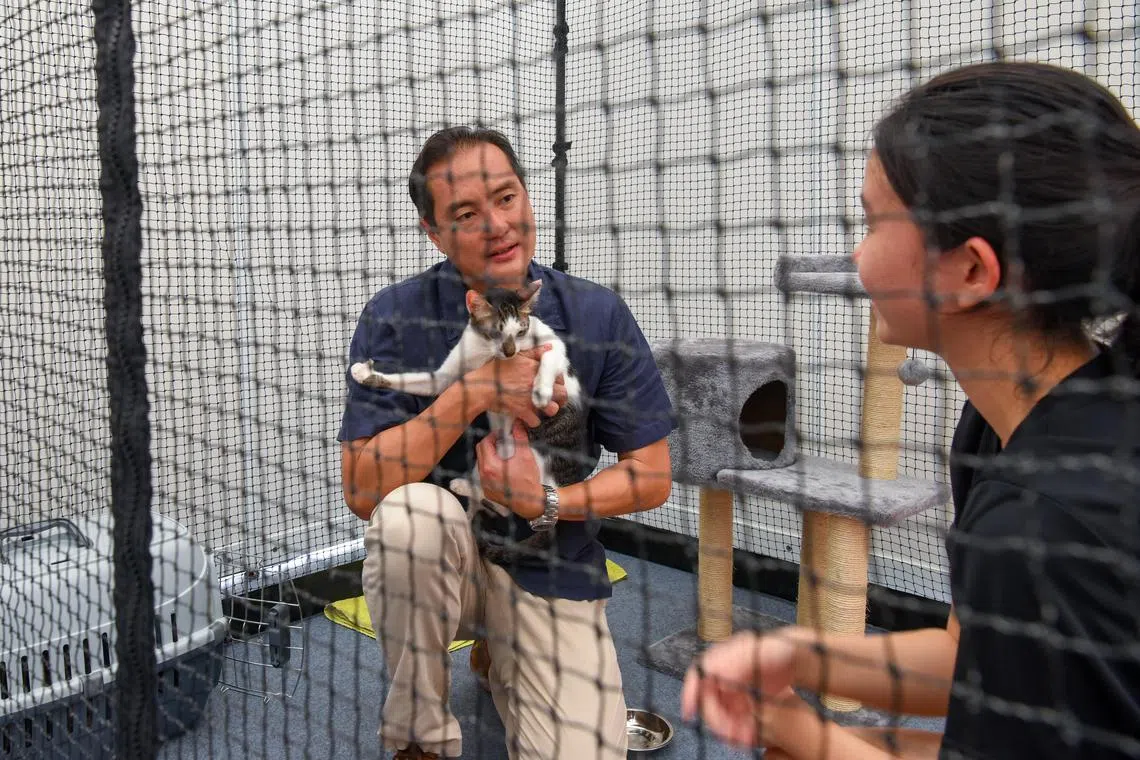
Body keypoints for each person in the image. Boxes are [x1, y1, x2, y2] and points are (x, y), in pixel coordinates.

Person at [681, 61, 1140, 759]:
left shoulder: (1044, 520)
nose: (858, 254)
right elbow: (976, 657)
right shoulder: (1004, 427)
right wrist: (805, 656)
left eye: (872, 222)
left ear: (971, 272)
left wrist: (799, 732)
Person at [339, 126, 676, 760]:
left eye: (505, 197)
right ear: (433, 233)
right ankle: (421, 739)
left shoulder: (597, 312)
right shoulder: (395, 313)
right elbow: (361, 490)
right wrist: (476, 391)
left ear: (526, 197)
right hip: (446, 559)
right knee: (410, 517)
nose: (497, 225)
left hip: (551, 557)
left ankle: (503, 651)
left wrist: (548, 501)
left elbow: (651, 476)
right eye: (466, 214)